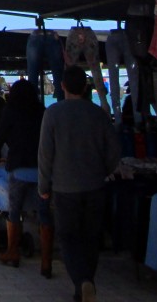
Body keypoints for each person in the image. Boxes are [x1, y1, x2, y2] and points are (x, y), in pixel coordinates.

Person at [38, 66, 121, 302]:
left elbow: (45, 154)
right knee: (91, 238)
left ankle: (82, 282)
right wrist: (103, 170)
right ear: (86, 88)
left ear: (62, 86)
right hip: (95, 185)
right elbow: (115, 151)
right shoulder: (98, 114)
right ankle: (85, 284)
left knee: (69, 238)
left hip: (64, 188)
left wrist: (43, 187)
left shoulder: (53, 114)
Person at [0, 78, 54, 277]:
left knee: (14, 211)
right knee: (44, 214)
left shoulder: (10, 111)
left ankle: (13, 252)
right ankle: (46, 261)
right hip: (41, 169)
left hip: (18, 166)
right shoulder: (43, 111)